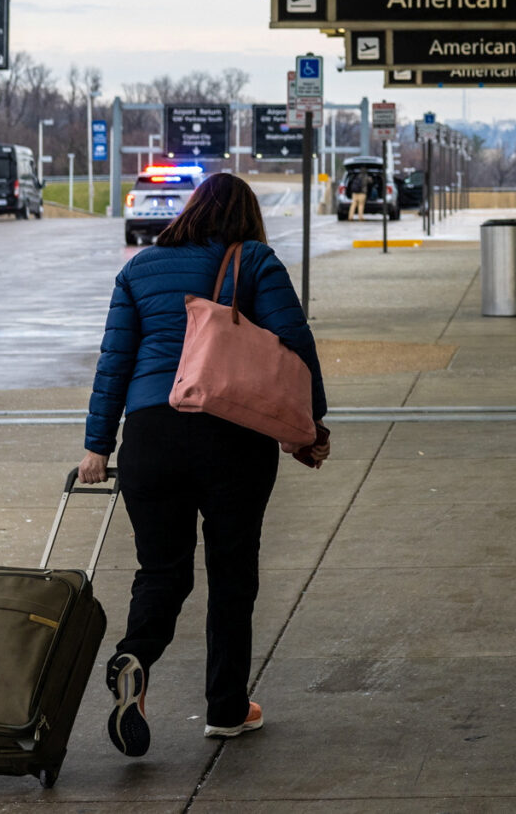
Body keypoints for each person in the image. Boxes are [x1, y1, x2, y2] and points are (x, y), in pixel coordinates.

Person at [81, 172, 328, 755]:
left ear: (191, 209)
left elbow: (113, 362)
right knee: (232, 569)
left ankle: (134, 658)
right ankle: (226, 708)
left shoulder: (140, 268)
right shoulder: (255, 260)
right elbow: (296, 344)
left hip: (149, 434)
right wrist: (311, 424)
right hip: (231, 435)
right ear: (246, 216)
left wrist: (98, 444)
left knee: (162, 570)